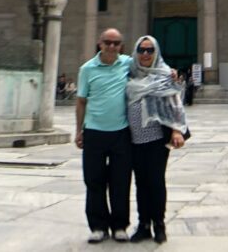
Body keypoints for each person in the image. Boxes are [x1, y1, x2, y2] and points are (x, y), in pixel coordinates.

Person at [126, 35, 188, 244]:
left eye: (150, 50)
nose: (145, 54)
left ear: (156, 52)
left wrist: (177, 131)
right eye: (142, 50)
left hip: (156, 140)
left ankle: (159, 225)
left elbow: (175, 104)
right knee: (141, 183)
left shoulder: (164, 75)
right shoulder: (130, 75)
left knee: (155, 181)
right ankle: (143, 225)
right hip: (134, 140)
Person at [76, 27, 134, 244]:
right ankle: (98, 226)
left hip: (121, 133)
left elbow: (152, 63)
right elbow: (81, 101)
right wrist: (79, 130)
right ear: (99, 43)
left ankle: (120, 226)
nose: (112, 47)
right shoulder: (87, 69)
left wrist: (171, 72)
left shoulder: (128, 63)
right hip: (94, 132)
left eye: (116, 43)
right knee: (94, 181)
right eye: (108, 42)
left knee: (121, 181)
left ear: (121, 46)